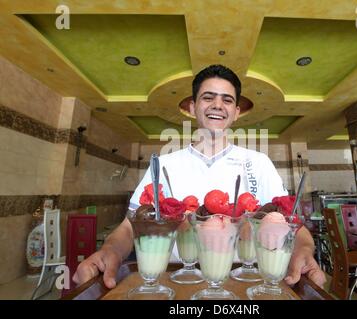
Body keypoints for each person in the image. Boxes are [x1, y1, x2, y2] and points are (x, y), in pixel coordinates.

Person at [73, 64, 326, 289]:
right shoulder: (163, 164)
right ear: (193, 107)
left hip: (246, 284)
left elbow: (293, 225)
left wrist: (304, 250)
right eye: (208, 97)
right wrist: (110, 250)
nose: (218, 105)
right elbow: (130, 228)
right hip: (173, 283)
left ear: (236, 111)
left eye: (227, 100)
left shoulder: (258, 163)